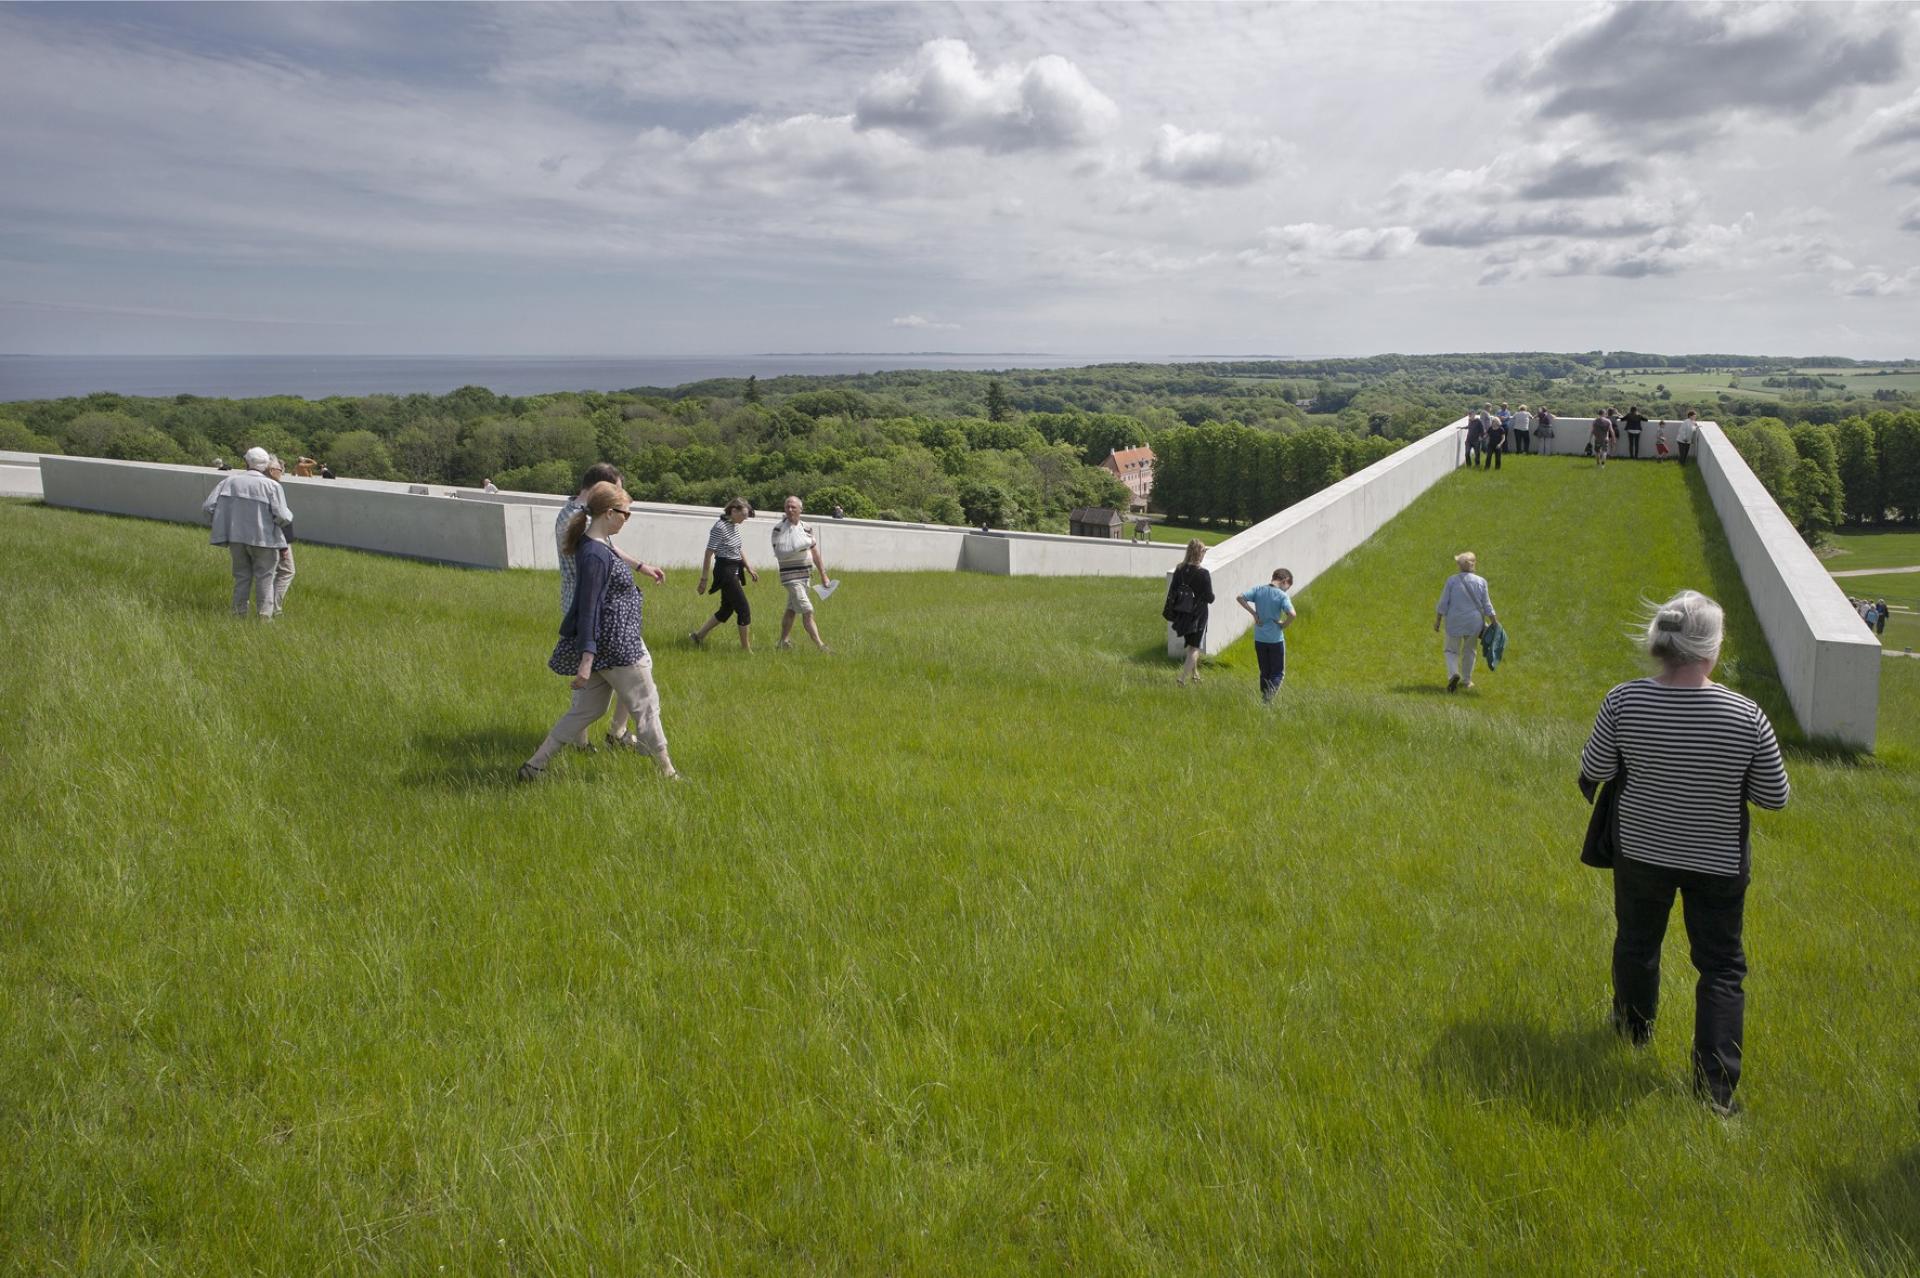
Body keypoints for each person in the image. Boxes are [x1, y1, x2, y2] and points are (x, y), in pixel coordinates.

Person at [1579, 590, 1790, 1117]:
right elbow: (1774, 797)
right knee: (1721, 967)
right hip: (1717, 859)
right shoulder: (1746, 714)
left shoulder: (1624, 699)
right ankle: (1714, 1094)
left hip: (1641, 848)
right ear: (1712, 648)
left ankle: (1632, 1029)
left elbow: (1596, 768)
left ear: (1660, 643)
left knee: (1636, 941)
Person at [519, 483, 678, 782]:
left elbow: (612, 552)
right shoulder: (594, 555)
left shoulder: (597, 543)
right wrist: (587, 658)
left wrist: (641, 566)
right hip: (617, 648)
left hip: (609, 647)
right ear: (609, 513)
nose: (626, 520)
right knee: (646, 705)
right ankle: (668, 772)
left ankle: (534, 767)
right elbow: (588, 607)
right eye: (626, 515)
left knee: (586, 712)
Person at [557, 463, 666, 748]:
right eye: (616, 490)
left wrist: (641, 566)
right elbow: (596, 563)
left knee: (595, 679)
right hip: (592, 612)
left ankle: (597, 736)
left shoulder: (581, 515)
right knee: (596, 677)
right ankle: (597, 737)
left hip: (595, 611)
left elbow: (610, 548)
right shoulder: (576, 518)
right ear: (600, 489)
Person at [202, 446, 293, 619]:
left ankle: (238, 614)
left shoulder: (229, 481)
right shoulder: (272, 486)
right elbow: (283, 516)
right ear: (266, 464)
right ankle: (264, 617)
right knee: (265, 578)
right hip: (265, 539)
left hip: (236, 537)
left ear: (246, 462)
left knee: (242, 577)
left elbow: (208, 507)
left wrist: (222, 522)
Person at [690, 497, 759, 651]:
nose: (744, 520)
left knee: (726, 610)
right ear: (734, 511)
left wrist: (748, 568)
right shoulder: (720, 527)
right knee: (743, 609)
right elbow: (709, 553)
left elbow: (738, 548)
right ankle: (746, 650)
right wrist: (703, 579)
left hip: (734, 569)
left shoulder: (733, 525)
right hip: (725, 571)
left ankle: (697, 636)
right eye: (743, 516)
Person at [771, 494, 833, 652]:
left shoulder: (806, 528)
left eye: (793, 507)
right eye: (787, 507)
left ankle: (782, 642)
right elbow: (781, 552)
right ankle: (821, 646)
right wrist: (801, 544)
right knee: (808, 610)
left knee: (791, 610)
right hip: (790, 578)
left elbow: (815, 552)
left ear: (800, 509)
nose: (790, 509)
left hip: (805, 575)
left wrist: (823, 574)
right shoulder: (779, 529)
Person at [1433, 550, 1495, 692]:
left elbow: (1443, 603)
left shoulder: (1452, 580)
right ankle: (1467, 681)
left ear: (1459, 566)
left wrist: (1437, 620)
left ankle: (1453, 673)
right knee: (1470, 650)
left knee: (1451, 650)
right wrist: (1494, 623)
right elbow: (1487, 605)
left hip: (1454, 621)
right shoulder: (1481, 582)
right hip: (1474, 623)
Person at [1236, 568, 1296, 703]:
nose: (1286, 590)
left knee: (1264, 671)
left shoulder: (1258, 590)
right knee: (1278, 673)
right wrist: (1284, 624)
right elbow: (1292, 614)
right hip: (1275, 639)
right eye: (1287, 587)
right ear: (1285, 580)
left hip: (1259, 638)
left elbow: (1240, 597)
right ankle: (1267, 700)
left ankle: (1264, 698)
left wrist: (1254, 613)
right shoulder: (1282, 595)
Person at [1165, 539, 1214, 687]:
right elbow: (1209, 597)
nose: (1205, 553)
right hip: (1198, 615)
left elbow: (1173, 591)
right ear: (1199, 553)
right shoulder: (1203, 573)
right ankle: (1181, 679)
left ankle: (1195, 675)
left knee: (1191, 645)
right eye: (1204, 550)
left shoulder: (1179, 570)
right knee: (1194, 648)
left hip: (1182, 614)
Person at [264, 455, 296, 615]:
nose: (282, 472)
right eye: (280, 469)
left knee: (269, 573)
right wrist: (284, 545)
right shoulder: (273, 487)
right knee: (286, 571)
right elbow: (281, 517)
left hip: (263, 538)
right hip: (277, 539)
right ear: (271, 470)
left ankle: (267, 609)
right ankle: (274, 609)